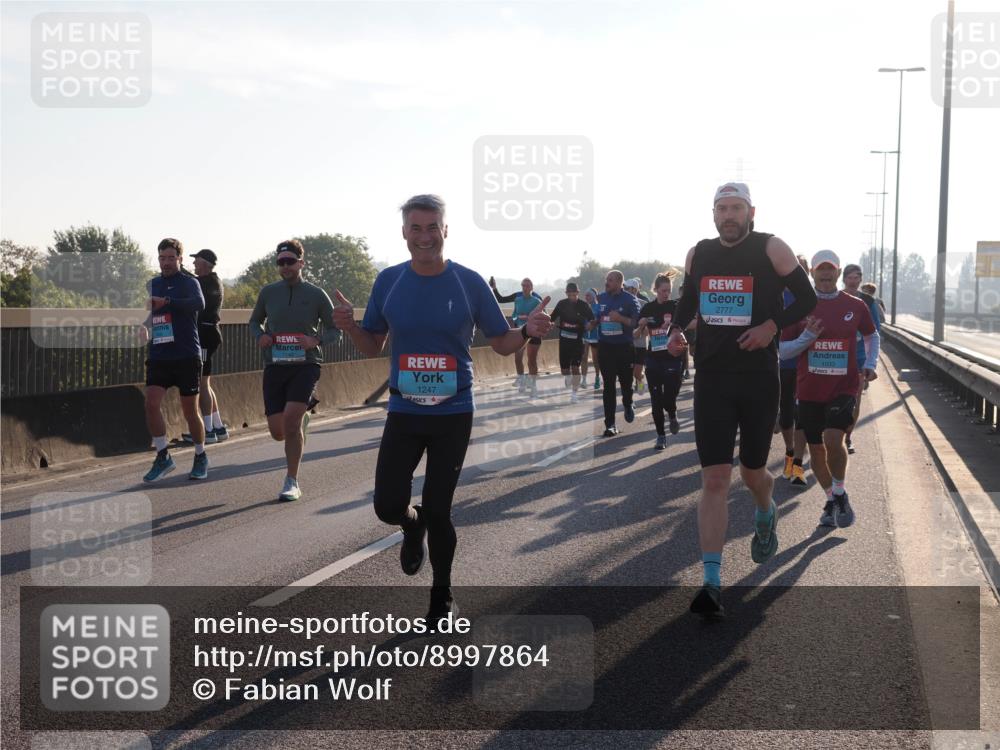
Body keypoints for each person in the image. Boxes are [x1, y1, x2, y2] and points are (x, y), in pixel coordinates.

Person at [334, 194, 551, 626]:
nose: (424, 236)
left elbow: (501, 343)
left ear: (445, 230)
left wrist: (527, 331)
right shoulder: (389, 281)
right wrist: (351, 327)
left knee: (439, 509)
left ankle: (442, 595)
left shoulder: (469, 283)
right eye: (416, 228)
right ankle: (409, 525)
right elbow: (372, 345)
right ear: (404, 233)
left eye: (432, 227)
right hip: (404, 411)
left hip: (453, 412)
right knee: (387, 506)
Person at [666, 182, 816, 617]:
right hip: (712, 378)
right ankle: (711, 583)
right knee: (714, 480)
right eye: (721, 208)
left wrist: (771, 326)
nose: (728, 215)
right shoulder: (698, 254)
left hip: (757, 380)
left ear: (751, 212)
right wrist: (676, 331)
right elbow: (688, 300)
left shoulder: (772, 248)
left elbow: (806, 298)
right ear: (713, 214)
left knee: (752, 474)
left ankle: (766, 510)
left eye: (736, 208)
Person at [779, 250, 878, 527]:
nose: (825, 274)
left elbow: (871, 335)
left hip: (843, 386)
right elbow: (784, 352)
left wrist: (870, 363)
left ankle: (838, 491)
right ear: (812, 273)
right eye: (820, 269)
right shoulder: (798, 308)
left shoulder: (855, 305)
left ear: (838, 272)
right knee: (816, 452)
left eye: (830, 269)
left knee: (834, 440)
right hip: (809, 390)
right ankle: (834, 498)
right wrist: (808, 336)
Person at [249, 239, 339, 502]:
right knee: (278, 432)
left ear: (301, 263)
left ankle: (292, 481)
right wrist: (260, 336)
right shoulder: (268, 293)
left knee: (290, 422)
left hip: (306, 365)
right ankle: (301, 420)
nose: (285, 266)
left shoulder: (316, 294)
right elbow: (254, 321)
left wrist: (316, 340)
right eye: (281, 262)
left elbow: (335, 330)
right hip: (275, 366)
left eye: (290, 261)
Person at [140, 238, 208, 482]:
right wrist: (144, 326)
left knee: (190, 411)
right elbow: (153, 312)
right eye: (162, 258)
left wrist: (168, 302)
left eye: (171, 258)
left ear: (179, 258)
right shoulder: (153, 284)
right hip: (160, 354)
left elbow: (199, 304)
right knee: (151, 403)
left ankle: (200, 455)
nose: (166, 262)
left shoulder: (189, 282)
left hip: (186, 354)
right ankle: (163, 456)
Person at [181, 249, 229, 444]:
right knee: (206, 383)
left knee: (201, 384)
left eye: (196, 261)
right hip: (211, 333)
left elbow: (190, 282)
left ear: (205, 264)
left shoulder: (204, 283)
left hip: (204, 335)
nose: (194, 264)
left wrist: (178, 268)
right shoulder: (215, 281)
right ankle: (218, 426)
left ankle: (207, 430)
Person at [637, 272, 684, 449]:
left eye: (669, 290)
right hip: (654, 358)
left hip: (673, 358)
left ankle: (672, 413)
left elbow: (689, 323)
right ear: (655, 290)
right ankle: (661, 436)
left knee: (669, 397)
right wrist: (641, 325)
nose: (667, 294)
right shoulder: (648, 308)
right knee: (656, 399)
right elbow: (636, 333)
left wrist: (674, 328)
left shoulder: (676, 306)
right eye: (663, 291)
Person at [841, 263, 882, 455]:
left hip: (859, 356)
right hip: (838, 355)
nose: (853, 281)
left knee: (855, 399)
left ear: (860, 279)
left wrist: (871, 362)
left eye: (856, 278)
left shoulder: (867, 300)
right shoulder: (836, 297)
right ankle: (832, 435)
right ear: (844, 279)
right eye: (849, 277)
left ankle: (847, 437)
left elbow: (875, 331)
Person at [778, 254, 810, 484]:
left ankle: (798, 464)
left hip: (807, 365)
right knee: (786, 413)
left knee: (802, 414)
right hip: (783, 363)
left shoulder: (811, 298)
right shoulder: (776, 295)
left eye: (802, 269)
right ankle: (790, 451)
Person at [597, 270, 640, 437]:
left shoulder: (630, 300)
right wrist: (593, 322)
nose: (606, 282)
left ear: (619, 282)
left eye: (610, 280)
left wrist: (620, 318)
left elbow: (636, 323)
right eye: (606, 279)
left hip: (624, 348)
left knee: (626, 384)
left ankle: (628, 403)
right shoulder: (601, 298)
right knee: (608, 386)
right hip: (605, 347)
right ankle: (610, 424)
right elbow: (598, 316)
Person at [490, 277, 544, 397]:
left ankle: (533, 386)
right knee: (518, 358)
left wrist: (530, 318)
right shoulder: (518, 299)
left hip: (534, 333)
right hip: (521, 333)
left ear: (532, 287)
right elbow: (513, 314)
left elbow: (543, 316)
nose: (525, 288)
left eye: (527, 286)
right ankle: (522, 380)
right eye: (523, 285)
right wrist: (494, 288)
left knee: (531, 360)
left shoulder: (537, 300)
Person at [550, 282, 594, 403]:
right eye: (569, 295)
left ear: (578, 293)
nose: (572, 298)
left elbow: (593, 319)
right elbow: (552, 317)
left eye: (574, 295)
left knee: (575, 367)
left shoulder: (584, 305)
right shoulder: (561, 304)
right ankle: (567, 376)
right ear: (566, 294)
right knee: (565, 370)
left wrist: (591, 325)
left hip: (578, 341)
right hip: (564, 340)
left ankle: (574, 394)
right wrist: (550, 323)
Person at [626, 278, 649, 395]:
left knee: (636, 373)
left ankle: (640, 381)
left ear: (634, 290)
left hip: (640, 344)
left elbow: (648, 327)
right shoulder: (622, 303)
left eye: (627, 288)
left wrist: (640, 330)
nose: (624, 290)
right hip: (627, 343)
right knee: (629, 373)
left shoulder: (644, 304)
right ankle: (630, 399)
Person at [580, 287, 600, 389]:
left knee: (595, 359)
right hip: (585, 336)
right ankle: (584, 380)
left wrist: (593, 325)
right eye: (585, 295)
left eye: (588, 295)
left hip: (595, 336)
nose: (586, 297)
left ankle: (597, 377)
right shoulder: (584, 307)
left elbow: (600, 320)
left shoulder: (598, 307)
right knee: (584, 357)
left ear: (594, 296)